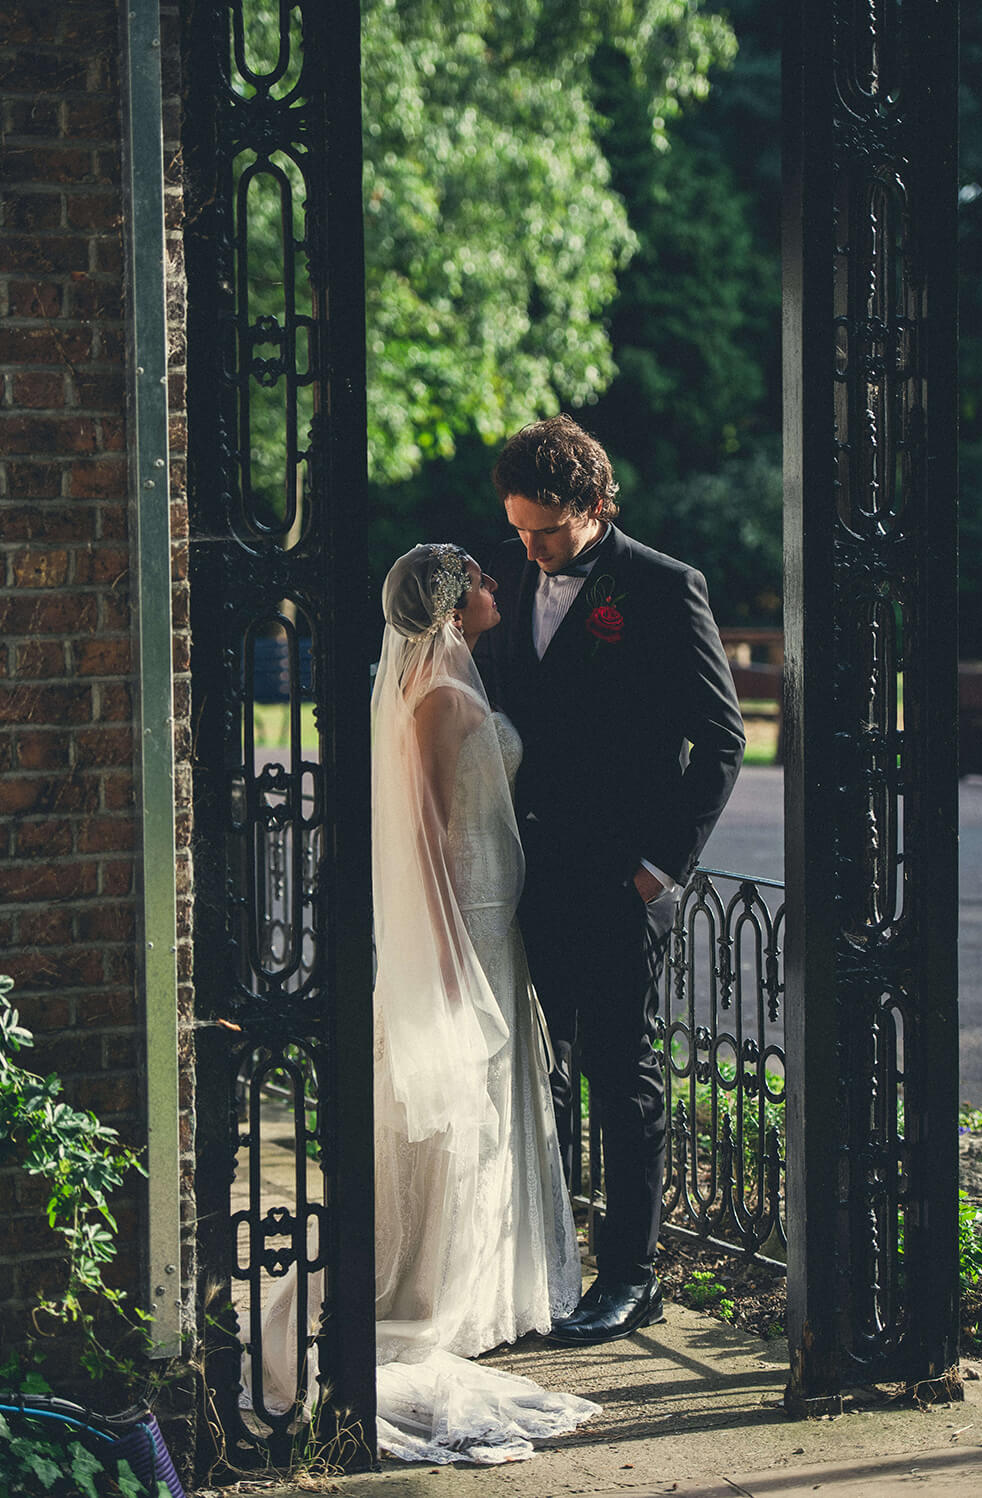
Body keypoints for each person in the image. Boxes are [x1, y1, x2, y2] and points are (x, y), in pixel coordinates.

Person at [254, 543, 599, 1463]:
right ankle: (433, 1284)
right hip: (466, 921)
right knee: (457, 1101)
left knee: (479, 1102)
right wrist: (447, 953)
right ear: (451, 606)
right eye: (479, 580)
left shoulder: (449, 677)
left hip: (489, 917)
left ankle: (471, 1278)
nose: (494, 586)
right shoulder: (442, 695)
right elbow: (432, 829)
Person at [482, 414, 746, 1347]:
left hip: (618, 878)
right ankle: (548, 1265)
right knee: (540, 1074)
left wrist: (657, 869)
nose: (530, 549)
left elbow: (723, 740)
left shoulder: (666, 588)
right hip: (527, 872)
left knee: (620, 1077)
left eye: (546, 531)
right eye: (519, 530)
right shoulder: (509, 575)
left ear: (595, 505)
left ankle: (631, 1276)